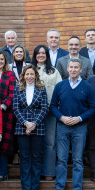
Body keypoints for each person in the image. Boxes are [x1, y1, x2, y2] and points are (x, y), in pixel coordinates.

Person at [50, 59, 95, 190]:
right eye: (71, 67)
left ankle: (77, 189)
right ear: (67, 69)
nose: (73, 69)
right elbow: (52, 106)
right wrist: (61, 117)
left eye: (76, 67)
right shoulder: (60, 86)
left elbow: (93, 107)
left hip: (80, 127)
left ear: (81, 69)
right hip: (63, 126)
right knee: (62, 159)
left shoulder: (87, 87)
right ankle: (59, 188)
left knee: (77, 160)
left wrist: (80, 118)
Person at [13, 65, 48, 190]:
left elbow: (44, 108)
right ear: (23, 75)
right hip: (22, 128)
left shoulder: (41, 89)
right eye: (27, 74)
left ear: (36, 75)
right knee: (25, 159)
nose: (29, 77)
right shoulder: (18, 88)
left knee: (36, 158)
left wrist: (33, 124)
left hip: (38, 128)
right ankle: (25, 189)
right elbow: (16, 108)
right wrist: (26, 123)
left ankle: (34, 189)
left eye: (32, 74)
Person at [31, 45, 63, 181]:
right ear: (35, 55)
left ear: (47, 55)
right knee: (35, 143)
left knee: (50, 142)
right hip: (32, 113)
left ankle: (49, 172)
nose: (41, 55)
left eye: (43, 53)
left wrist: (54, 106)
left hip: (50, 112)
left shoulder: (53, 71)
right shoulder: (30, 70)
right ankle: (35, 173)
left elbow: (60, 89)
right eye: (38, 53)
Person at [0, 51, 17, 181]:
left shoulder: (10, 75)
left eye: (2, 59)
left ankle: (2, 172)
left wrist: (3, 106)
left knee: (3, 144)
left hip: (6, 114)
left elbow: (12, 93)